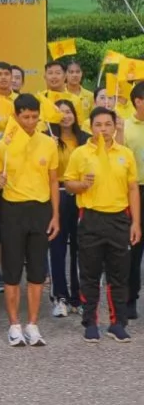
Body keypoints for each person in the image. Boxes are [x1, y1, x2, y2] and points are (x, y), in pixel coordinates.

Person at [64, 106, 142, 342]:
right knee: (89, 273)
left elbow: (132, 189)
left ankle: (117, 323)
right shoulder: (81, 153)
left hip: (119, 218)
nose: (103, 129)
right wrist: (81, 185)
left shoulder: (125, 153)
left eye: (108, 124)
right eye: (98, 125)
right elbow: (68, 184)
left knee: (119, 275)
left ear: (115, 125)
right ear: (90, 127)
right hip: (90, 218)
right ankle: (91, 323)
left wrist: (136, 222)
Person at [0, 94, 59, 347]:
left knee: (38, 271)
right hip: (13, 211)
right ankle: (14, 325)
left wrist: (56, 216)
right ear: (16, 116)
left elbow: (53, 182)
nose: (30, 121)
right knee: (12, 269)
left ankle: (32, 324)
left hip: (40, 210)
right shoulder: (3, 145)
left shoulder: (49, 143)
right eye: (25, 117)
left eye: (34, 116)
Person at [46, 98, 88, 318]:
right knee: (57, 247)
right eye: (60, 112)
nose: (65, 115)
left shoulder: (85, 140)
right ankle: (59, 297)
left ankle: (78, 298)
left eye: (68, 111)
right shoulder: (48, 140)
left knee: (80, 248)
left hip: (81, 195)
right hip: (59, 194)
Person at [123, 82, 144, 319]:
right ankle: (129, 299)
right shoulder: (126, 127)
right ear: (138, 101)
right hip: (135, 192)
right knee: (133, 249)